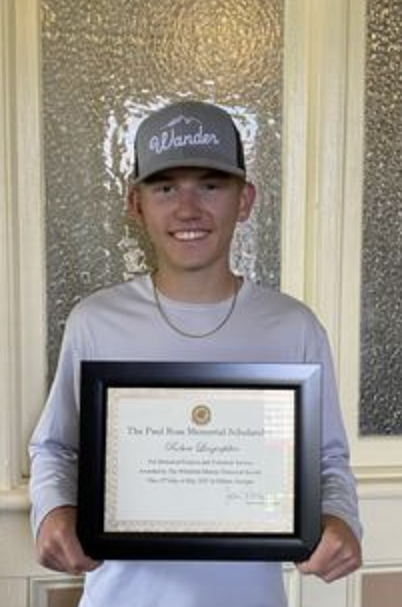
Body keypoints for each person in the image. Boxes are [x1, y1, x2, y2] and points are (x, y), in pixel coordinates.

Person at [29, 100, 362, 607]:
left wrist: (339, 519)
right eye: (165, 187)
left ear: (245, 199)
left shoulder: (293, 327)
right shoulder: (95, 321)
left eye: (210, 184)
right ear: (136, 203)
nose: (188, 209)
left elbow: (328, 459)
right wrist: (53, 511)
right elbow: (55, 449)